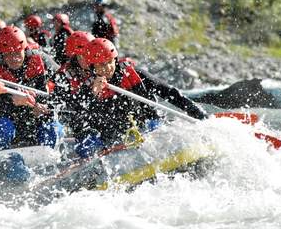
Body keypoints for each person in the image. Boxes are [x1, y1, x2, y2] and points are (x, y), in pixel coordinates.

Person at [72, 38, 207, 157]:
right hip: (111, 136)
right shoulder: (87, 89)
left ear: (115, 59)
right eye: (101, 64)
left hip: (146, 123)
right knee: (83, 146)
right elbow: (78, 120)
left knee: (154, 123)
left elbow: (169, 93)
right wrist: (94, 95)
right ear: (92, 66)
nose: (108, 68)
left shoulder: (135, 74)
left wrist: (199, 114)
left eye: (109, 62)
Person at [0, 25, 62, 149]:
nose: (14, 58)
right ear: (2, 54)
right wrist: (12, 100)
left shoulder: (41, 58)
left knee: (53, 129)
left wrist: (46, 105)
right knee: (3, 127)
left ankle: (50, 155)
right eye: (9, 54)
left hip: (35, 116)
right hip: (8, 117)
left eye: (18, 52)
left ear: (25, 49)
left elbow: (63, 85)